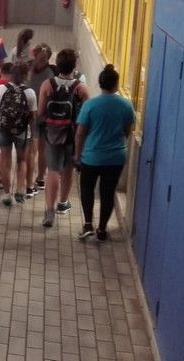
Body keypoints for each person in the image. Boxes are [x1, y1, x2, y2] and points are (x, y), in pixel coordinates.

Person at [74, 64, 134, 240]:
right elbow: (128, 130)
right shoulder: (126, 105)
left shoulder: (90, 105)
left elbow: (80, 133)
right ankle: (102, 229)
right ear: (116, 84)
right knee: (108, 192)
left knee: (87, 189)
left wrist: (77, 155)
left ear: (100, 84)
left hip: (91, 157)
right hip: (115, 158)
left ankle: (88, 224)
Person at [39, 48, 90, 227]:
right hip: (72, 135)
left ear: (58, 65)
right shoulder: (81, 88)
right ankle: (63, 202)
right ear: (74, 66)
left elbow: (41, 111)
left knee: (53, 170)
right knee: (67, 169)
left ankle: (49, 211)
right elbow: (86, 115)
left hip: (52, 133)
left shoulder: (48, 84)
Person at [0, 62, 37, 206]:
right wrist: (32, 135)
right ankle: (20, 190)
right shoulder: (30, 93)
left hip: (4, 129)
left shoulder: (1, 89)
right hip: (22, 131)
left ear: (11, 74)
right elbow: (33, 117)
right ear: (25, 75)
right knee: (22, 160)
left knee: (5, 160)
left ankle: (6, 194)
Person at [27, 43, 55, 193]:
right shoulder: (50, 73)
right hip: (40, 116)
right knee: (40, 149)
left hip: (36, 116)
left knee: (35, 149)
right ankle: (39, 178)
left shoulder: (31, 69)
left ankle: (35, 179)